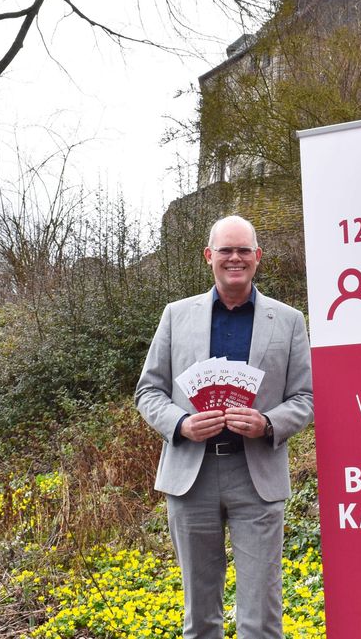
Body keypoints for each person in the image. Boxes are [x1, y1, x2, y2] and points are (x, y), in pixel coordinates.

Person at [136, 215, 314, 639]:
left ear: (258, 257)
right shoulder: (176, 316)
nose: (234, 258)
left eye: (243, 250)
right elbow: (148, 392)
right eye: (225, 251)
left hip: (257, 480)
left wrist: (268, 422)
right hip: (190, 479)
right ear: (208, 257)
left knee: (262, 620)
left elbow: (305, 399)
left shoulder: (288, 321)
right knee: (200, 620)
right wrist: (181, 423)